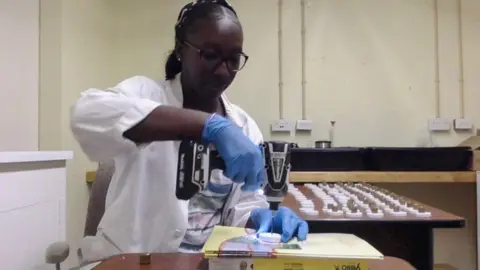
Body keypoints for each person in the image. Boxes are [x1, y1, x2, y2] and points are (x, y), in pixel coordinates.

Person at [70, 0, 308, 262]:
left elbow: (243, 205)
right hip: (132, 260)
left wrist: (262, 215)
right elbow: (85, 114)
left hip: (205, 264)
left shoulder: (245, 128)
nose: (223, 70)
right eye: (210, 55)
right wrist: (206, 126)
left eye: (233, 59)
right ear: (182, 49)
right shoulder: (145, 94)